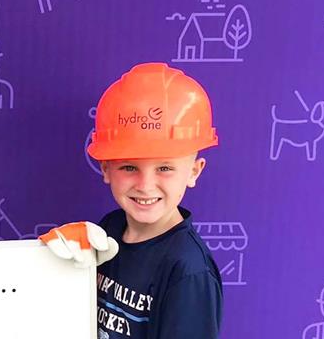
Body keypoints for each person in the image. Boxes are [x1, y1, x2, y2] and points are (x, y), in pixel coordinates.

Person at [40, 63, 223, 338]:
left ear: (194, 172)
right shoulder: (108, 231)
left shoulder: (188, 270)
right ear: (105, 170)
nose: (146, 185)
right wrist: (50, 263)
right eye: (129, 167)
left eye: (165, 168)